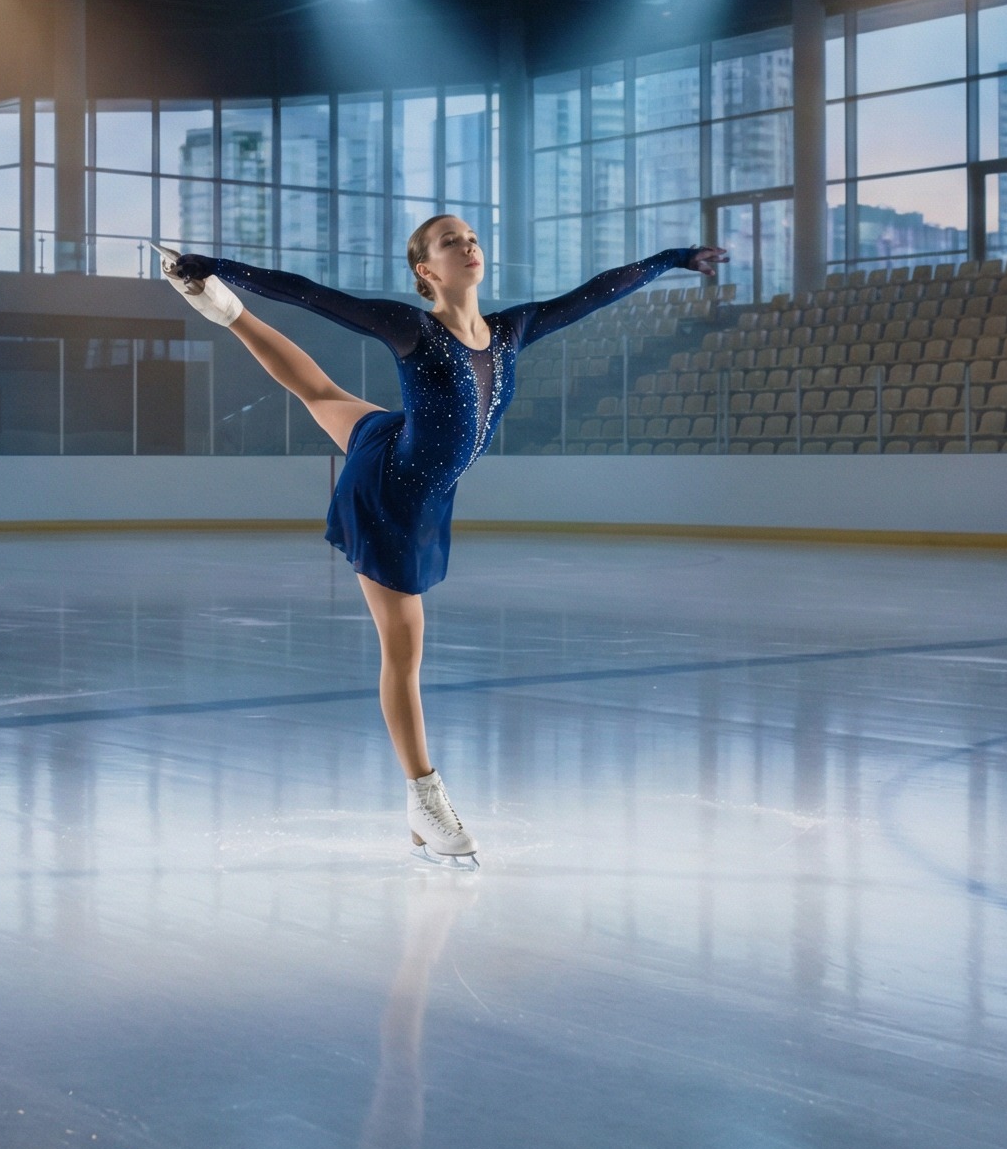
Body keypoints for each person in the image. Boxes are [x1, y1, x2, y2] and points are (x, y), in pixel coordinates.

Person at [157, 217, 725, 866]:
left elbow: (595, 293)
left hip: (399, 450)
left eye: (472, 238)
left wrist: (674, 257)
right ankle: (423, 797)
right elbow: (314, 294)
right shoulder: (414, 330)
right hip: (391, 496)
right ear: (426, 271)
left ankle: (223, 313)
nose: (469, 246)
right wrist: (220, 263)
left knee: (319, 393)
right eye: (450, 242)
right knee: (404, 654)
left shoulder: (512, 331)